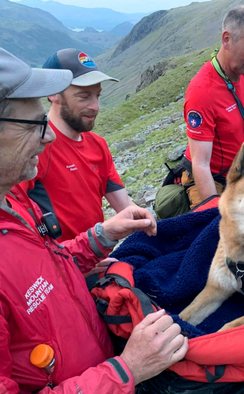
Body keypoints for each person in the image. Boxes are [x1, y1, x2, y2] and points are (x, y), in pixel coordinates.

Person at [0, 47, 187, 393]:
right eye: (34, 125)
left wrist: (99, 237)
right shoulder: (23, 180)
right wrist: (127, 369)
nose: (49, 136)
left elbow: (45, 265)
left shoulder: (13, 206)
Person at [18, 49, 133, 277]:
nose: (95, 106)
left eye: (98, 96)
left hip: (97, 260)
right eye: (84, 97)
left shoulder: (98, 145)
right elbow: (21, 238)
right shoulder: (33, 151)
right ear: (53, 94)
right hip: (59, 271)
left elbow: (127, 207)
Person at [181, 5, 244, 208]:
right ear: (226, 39)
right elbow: (201, 164)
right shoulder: (202, 91)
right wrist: (214, 212)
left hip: (242, 174)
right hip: (212, 179)